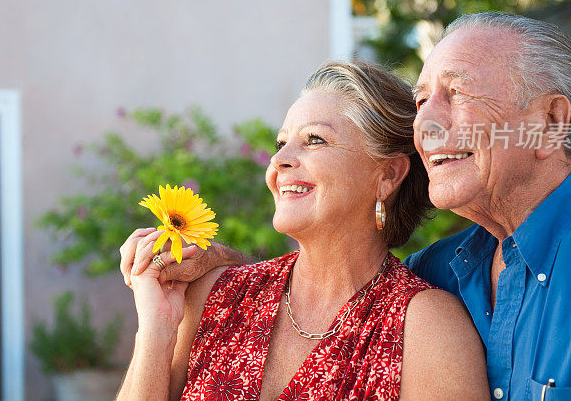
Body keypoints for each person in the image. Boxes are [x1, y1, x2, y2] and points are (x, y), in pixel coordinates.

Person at [141, 12, 571, 400]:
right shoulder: (443, 270)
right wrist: (210, 268)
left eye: (457, 93)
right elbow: (333, 285)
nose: (427, 124)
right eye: (422, 101)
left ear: (549, 122)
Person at [117, 61, 489, 400]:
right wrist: (157, 329)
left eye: (315, 140)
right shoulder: (217, 295)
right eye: (281, 144)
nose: (279, 161)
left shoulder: (426, 328)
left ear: (388, 175)